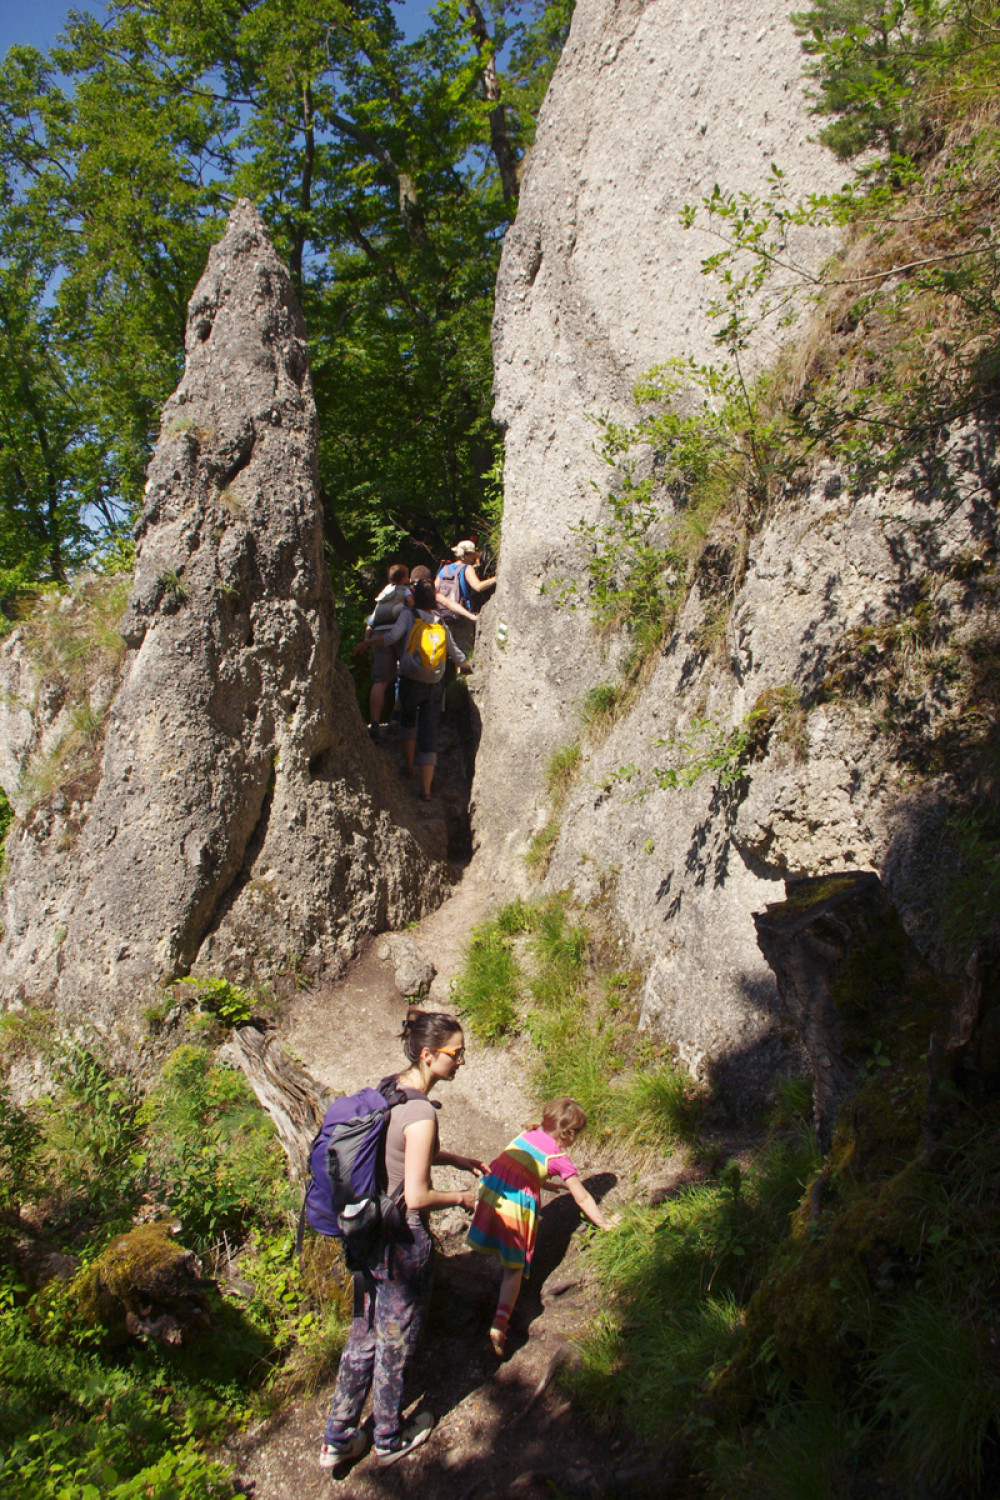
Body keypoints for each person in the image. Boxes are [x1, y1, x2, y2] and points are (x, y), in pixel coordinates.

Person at [320, 1009, 487, 1471]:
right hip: (401, 1239)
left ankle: (338, 1436)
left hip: (366, 1230)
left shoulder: (392, 1088)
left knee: (364, 1333)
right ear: (430, 1055)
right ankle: (389, 1437)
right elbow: (416, 1195)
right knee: (395, 1341)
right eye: (457, 1054)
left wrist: (454, 1158)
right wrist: (461, 1197)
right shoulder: (421, 1114)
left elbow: (403, 1150)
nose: (462, 1061)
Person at [466, 1097, 618, 1356]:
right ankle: (500, 1323)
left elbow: (520, 1162)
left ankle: (478, 1279)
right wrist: (604, 1223)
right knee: (515, 1269)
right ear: (569, 1135)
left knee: (495, 1242)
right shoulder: (559, 1158)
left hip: (491, 1190)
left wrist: (543, 1181)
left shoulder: (528, 1132)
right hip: (516, 1203)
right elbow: (581, 1196)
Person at [382, 578, 471, 802]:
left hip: (411, 678)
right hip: (435, 682)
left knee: (409, 720)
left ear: (415, 596)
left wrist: (374, 643)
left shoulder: (408, 615)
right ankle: (427, 791)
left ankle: (409, 766)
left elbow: (392, 637)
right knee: (429, 733)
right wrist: (466, 664)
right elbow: (455, 653)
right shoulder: (440, 622)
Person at [353, 563, 410, 739]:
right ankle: (395, 716)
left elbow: (370, 621)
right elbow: (412, 607)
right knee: (406, 675)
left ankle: (375, 723)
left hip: (378, 635)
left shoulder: (382, 595)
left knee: (380, 682)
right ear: (403, 578)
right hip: (399, 634)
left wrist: (367, 641)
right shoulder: (405, 591)